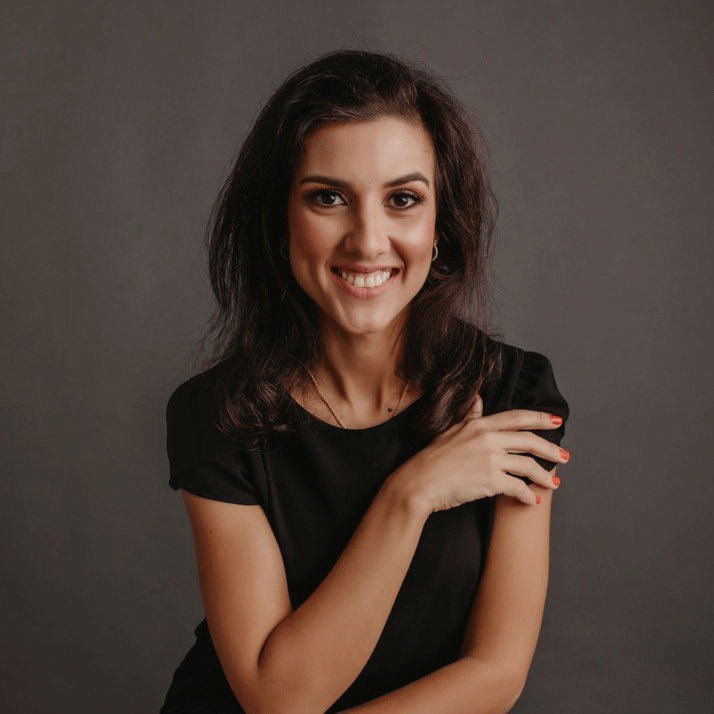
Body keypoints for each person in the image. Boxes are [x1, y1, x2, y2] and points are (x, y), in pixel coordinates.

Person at [159, 49, 570, 714]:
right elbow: (279, 699)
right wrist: (410, 494)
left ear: (440, 225)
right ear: (279, 220)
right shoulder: (217, 415)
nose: (368, 241)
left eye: (403, 200)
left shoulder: (512, 392)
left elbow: (496, 673)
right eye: (328, 198)